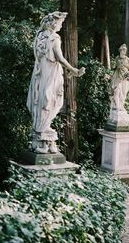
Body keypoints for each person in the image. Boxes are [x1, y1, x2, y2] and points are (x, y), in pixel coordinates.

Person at [27, 11, 85, 154]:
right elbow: (59, 58)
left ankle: (40, 129)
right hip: (51, 75)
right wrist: (74, 70)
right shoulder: (54, 38)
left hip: (40, 75)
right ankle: (43, 134)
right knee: (51, 101)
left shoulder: (39, 36)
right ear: (53, 24)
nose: (60, 26)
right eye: (60, 23)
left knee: (41, 100)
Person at [109, 44, 129, 125]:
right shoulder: (117, 58)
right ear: (120, 51)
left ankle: (121, 106)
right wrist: (113, 63)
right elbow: (113, 67)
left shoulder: (127, 59)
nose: (124, 51)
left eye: (125, 50)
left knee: (124, 92)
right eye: (123, 50)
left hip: (125, 78)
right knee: (117, 91)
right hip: (117, 77)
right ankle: (117, 106)